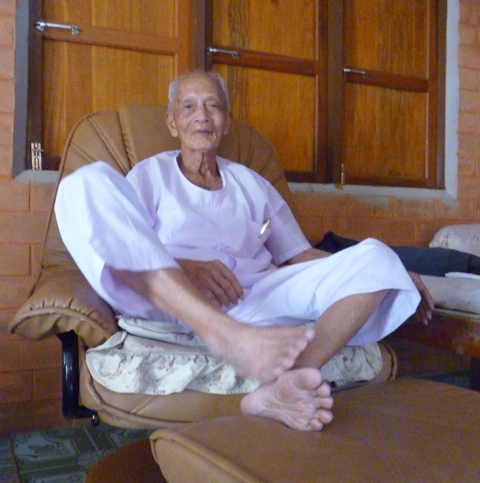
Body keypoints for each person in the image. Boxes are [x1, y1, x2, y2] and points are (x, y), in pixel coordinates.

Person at [54, 71, 433, 431]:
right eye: (188, 106)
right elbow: (123, 241)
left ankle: (287, 383)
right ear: (172, 123)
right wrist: (184, 267)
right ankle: (223, 334)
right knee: (84, 183)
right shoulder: (149, 176)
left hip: (253, 297)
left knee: (377, 255)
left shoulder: (253, 183)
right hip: (171, 299)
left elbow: (299, 257)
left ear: (226, 122)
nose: (202, 115)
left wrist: (389, 272)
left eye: (212, 105)